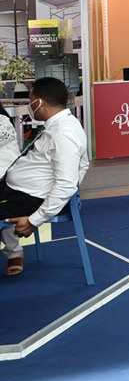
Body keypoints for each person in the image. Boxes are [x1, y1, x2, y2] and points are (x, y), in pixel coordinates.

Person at [1, 78, 89, 277]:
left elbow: (66, 185)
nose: (29, 105)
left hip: (27, 197)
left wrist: (34, 220)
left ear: (38, 103)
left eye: (30, 100)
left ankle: (14, 253)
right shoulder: (59, 125)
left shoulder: (64, 134)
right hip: (16, 190)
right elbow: (83, 165)